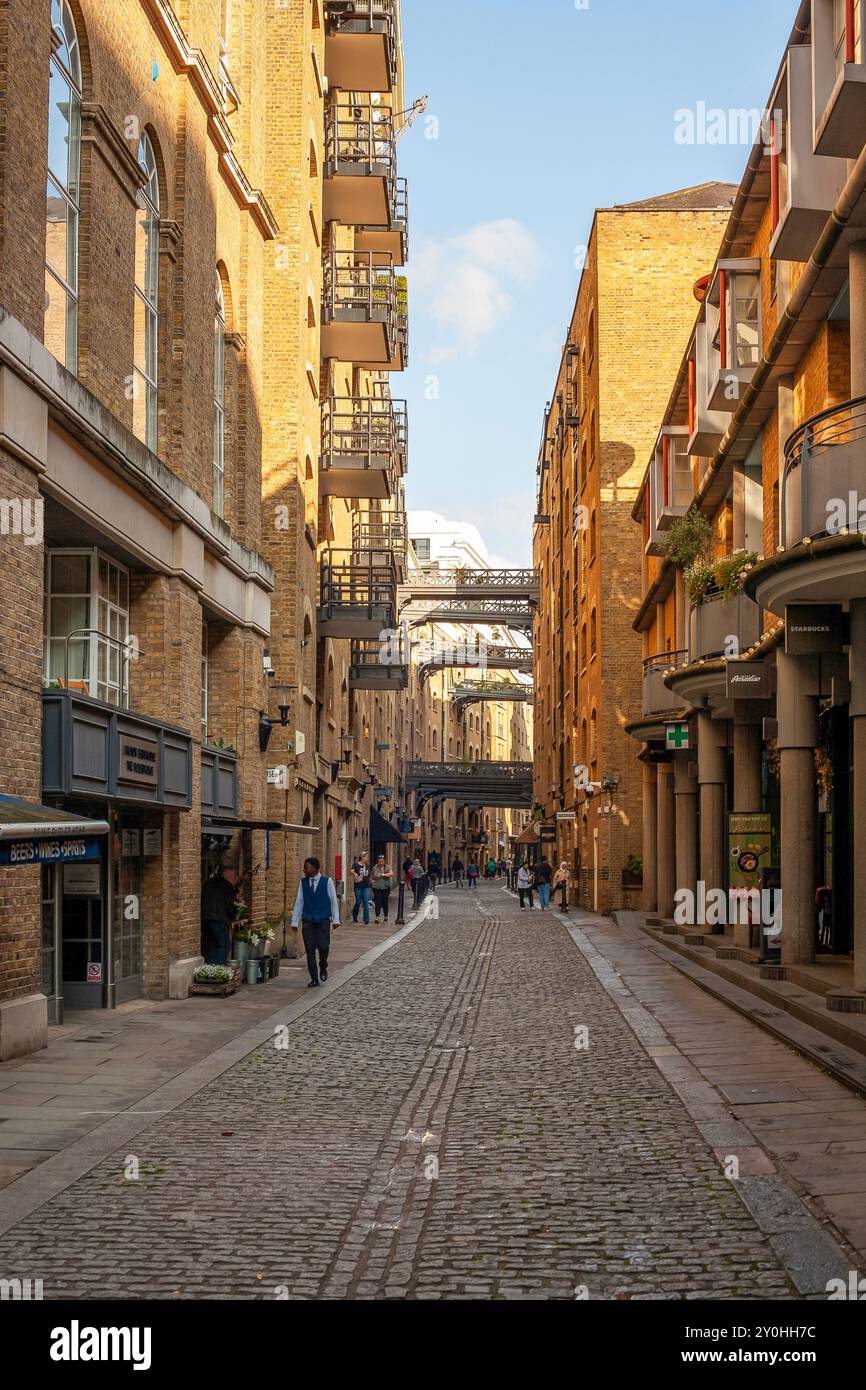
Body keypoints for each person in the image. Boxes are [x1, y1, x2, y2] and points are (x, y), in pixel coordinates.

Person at [291, 856, 340, 987]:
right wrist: (294, 921)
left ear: (315, 868)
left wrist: (336, 919)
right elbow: (299, 901)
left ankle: (323, 964)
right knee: (310, 951)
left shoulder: (327, 881)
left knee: (324, 947)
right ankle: (314, 978)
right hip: (308, 922)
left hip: (323, 921)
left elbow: (333, 901)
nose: (304, 870)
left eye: (306, 867)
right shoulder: (303, 883)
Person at [201, 865, 240, 965]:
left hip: (205, 919)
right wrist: (235, 914)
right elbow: (229, 906)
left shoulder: (209, 883)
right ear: (229, 875)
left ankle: (210, 969)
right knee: (224, 945)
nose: (237, 878)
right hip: (219, 919)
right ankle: (218, 970)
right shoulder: (227, 886)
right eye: (235, 875)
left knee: (212, 945)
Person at [371, 854, 394, 922]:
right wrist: (372, 881)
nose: (381, 863)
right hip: (377, 887)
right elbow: (372, 876)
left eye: (382, 861)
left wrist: (383, 874)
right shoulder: (375, 868)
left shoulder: (387, 867)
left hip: (385, 887)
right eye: (379, 861)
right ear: (377, 861)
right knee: (377, 902)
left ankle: (386, 916)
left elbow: (391, 873)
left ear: (384, 861)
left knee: (385, 902)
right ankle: (377, 917)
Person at [351, 850, 371, 925]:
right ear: (362, 857)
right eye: (367, 857)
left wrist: (371, 881)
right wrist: (355, 873)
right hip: (358, 886)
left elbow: (369, 875)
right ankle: (355, 916)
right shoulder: (356, 865)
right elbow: (351, 870)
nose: (368, 858)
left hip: (366, 886)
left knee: (366, 902)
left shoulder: (368, 866)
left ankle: (366, 919)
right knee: (358, 902)